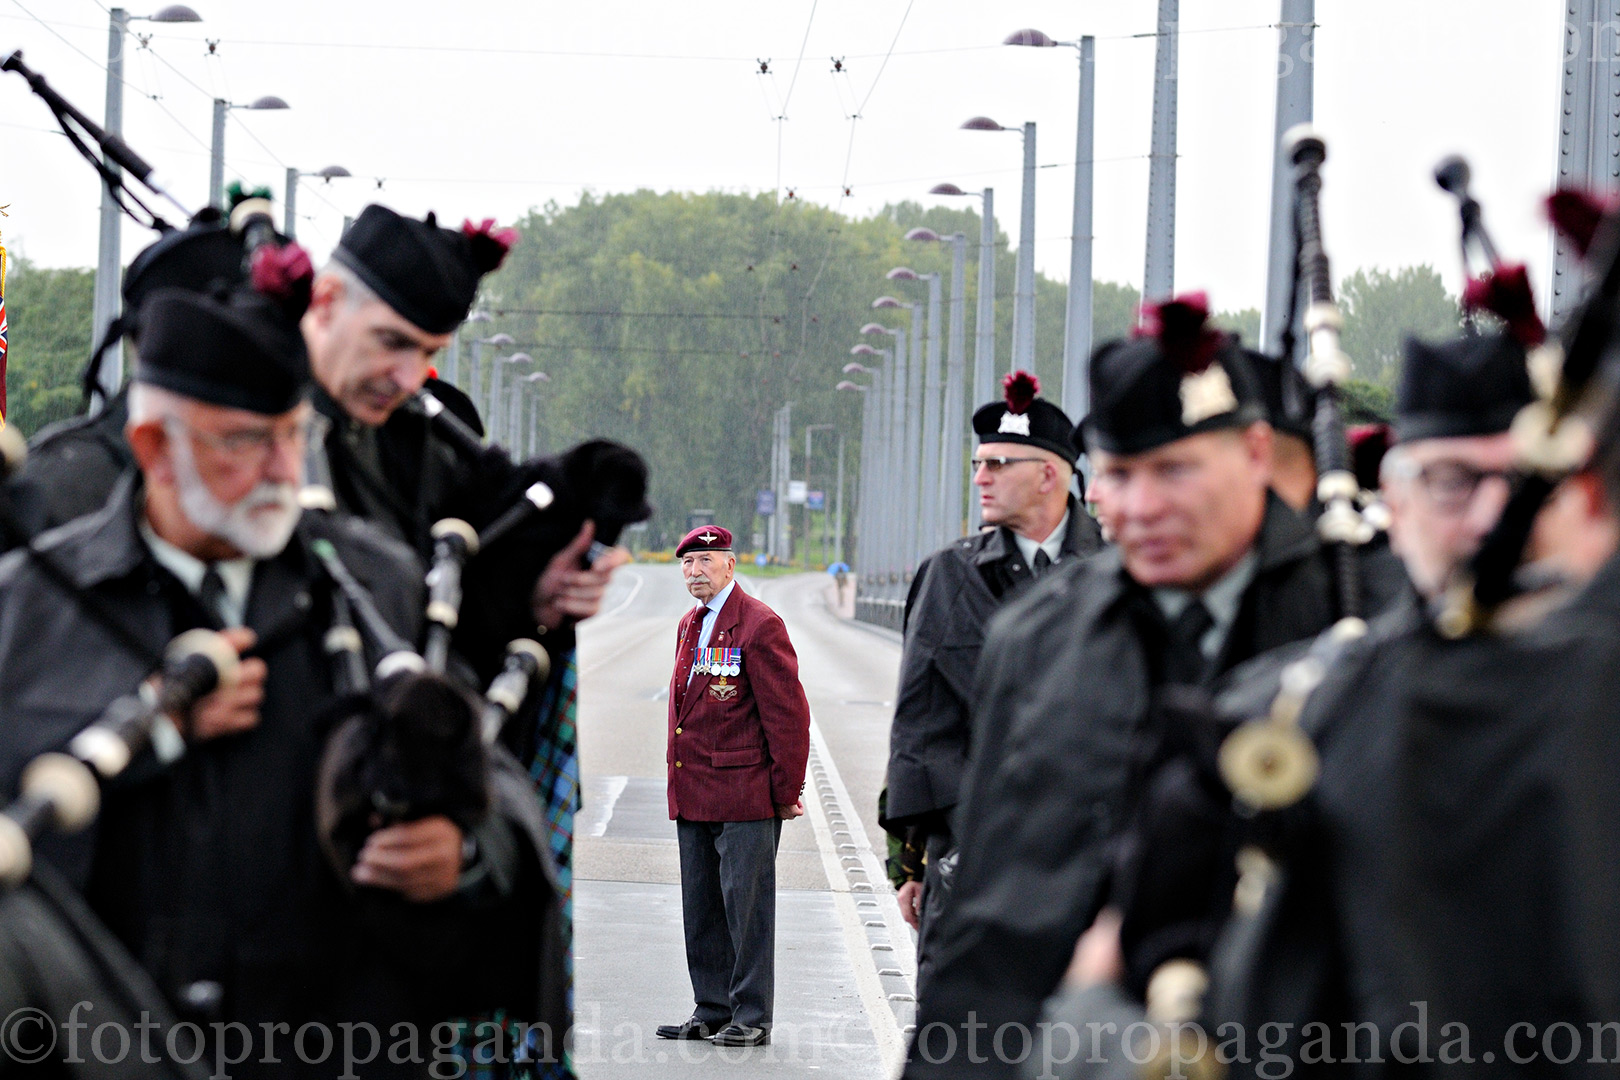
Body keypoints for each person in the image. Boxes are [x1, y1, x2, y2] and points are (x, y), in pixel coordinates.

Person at [0, 277, 564, 1075]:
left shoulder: (376, 583)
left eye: (294, 435)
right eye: (243, 442)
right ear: (154, 447)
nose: (281, 470)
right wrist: (150, 734)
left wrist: (465, 851)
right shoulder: (29, 607)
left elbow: (492, 776)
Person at [1031, 325, 1594, 1079]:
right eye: (1453, 481)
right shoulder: (1279, 720)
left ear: (1593, 500)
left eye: (1532, 482)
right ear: (1396, 500)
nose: (1494, 519)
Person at [904, 295, 1354, 1079]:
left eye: (1175, 471)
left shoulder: (1358, 621)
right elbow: (993, 912)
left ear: (1255, 453)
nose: (1143, 508)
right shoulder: (1041, 637)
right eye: (1120, 474)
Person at [882, 371, 1102, 981]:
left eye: (998, 464)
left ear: (1049, 475)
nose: (980, 478)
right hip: (970, 858)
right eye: (978, 464)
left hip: (1084, 865)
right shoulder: (949, 575)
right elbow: (918, 727)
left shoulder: (1117, 574)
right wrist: (911, 863)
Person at [657, 525, 811, 1048]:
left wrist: (785, 791)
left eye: (705, 561)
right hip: (694, 789)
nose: (694, 571)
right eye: (687, 563)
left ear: (729, 564)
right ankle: (711, 1009)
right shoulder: (690, 624)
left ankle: (752, 1016)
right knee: (701, 909)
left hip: (746, 795)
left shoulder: (759, 624)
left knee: (746, 912)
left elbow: (787, 717)